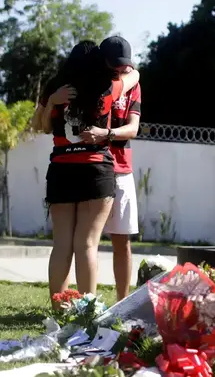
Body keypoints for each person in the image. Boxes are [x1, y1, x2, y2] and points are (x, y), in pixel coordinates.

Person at [35, 39, 140, 308]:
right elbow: (133, 77)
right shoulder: (106, 86)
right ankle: (86, 311)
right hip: (96, 170)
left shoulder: (55, 89)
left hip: (61, 169)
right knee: (87, 244)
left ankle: (59, 309)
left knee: (61, 244)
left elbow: (40, 126)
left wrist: (52, 103)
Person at [94, 36, 143, 301]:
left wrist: (107, 133)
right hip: (93, 165)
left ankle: (122, 302)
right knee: (86, 240)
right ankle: (79, 302)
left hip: (122, 168)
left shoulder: (133, 83)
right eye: (116, 66)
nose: (122, 70)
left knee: (122, 240)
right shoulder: (96, 83)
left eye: (125, 66)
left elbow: (133, 128)